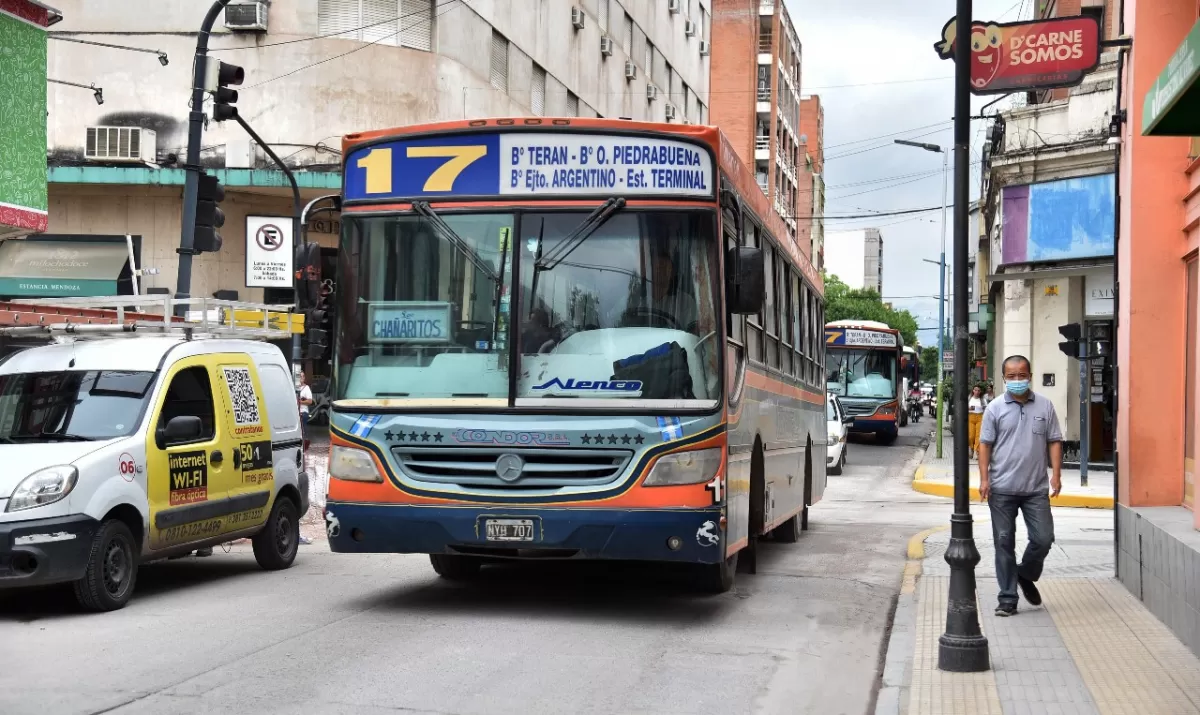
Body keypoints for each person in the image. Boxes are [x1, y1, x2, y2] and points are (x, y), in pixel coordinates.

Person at [978, 355, 1063, 617]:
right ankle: (1007, 598)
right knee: (1003, 542)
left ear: (1030, 375)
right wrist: (984, 479)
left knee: (1044, 538)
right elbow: (985, 445)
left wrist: (1056, 474)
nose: (1017, 380)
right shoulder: (994, 408)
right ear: (1004, 378)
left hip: (1035, 489)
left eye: (1022, 375)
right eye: (1011, 376)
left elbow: (1055, 440)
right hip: (1002, 489)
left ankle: (1025, 574)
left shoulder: (1045, 407)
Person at [296, 372, 314, 546]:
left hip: (302, 413)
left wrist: (299, 401)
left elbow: (309, 401)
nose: (300, 378)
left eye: (302, 376)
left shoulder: (305, 389)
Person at [967, 385, 986, 459]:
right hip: (971, 417)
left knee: (978, 435)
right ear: (973, 391)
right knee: (971, 435)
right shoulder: (969, 398)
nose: (977, 392)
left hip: (980, 417)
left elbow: (986, 408)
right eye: (976, 390)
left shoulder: (982, 399)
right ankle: (971, 448)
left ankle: (976, 451)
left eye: (978, 390)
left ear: (980, 392)